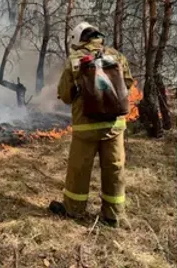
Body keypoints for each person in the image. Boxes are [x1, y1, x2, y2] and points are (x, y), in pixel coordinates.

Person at [49, 22, 134, 227]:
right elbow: (128, 83)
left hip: (86, 126)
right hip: (114, 125)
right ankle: (113, 215)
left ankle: (73, 209)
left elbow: (66, 95)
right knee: (114, 168)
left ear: (79, 39)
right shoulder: (117, 56)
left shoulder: (75, 60)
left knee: (79, 168)